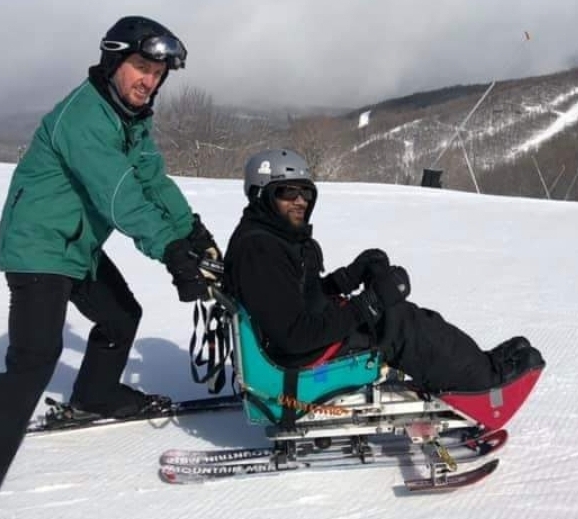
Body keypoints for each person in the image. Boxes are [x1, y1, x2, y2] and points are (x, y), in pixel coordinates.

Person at [0, 16, 221, 519]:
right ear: (114, 60)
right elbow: (120, 194)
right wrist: (170, 250)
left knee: (121, 316)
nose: (149, 81)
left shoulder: (130, 118)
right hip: (38, 248)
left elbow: (152, 180)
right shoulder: (84, 116)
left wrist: (191, 232)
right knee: (32, 363)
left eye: (157, 74)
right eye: (141, 67)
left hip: (75, 245)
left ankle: (94, 394)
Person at [224, 148, 544, 394]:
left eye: (305, 192)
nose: (300, 201)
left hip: (303, 342)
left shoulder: (269, 238)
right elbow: (295, 335)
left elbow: (292, 295)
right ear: (261, 195)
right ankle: (485, 380)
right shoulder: (260, 250)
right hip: (301, 357)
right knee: (401, 324)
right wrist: (369, 304)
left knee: (402, 315)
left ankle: (478, 364)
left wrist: (345, 279)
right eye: (287, 192)